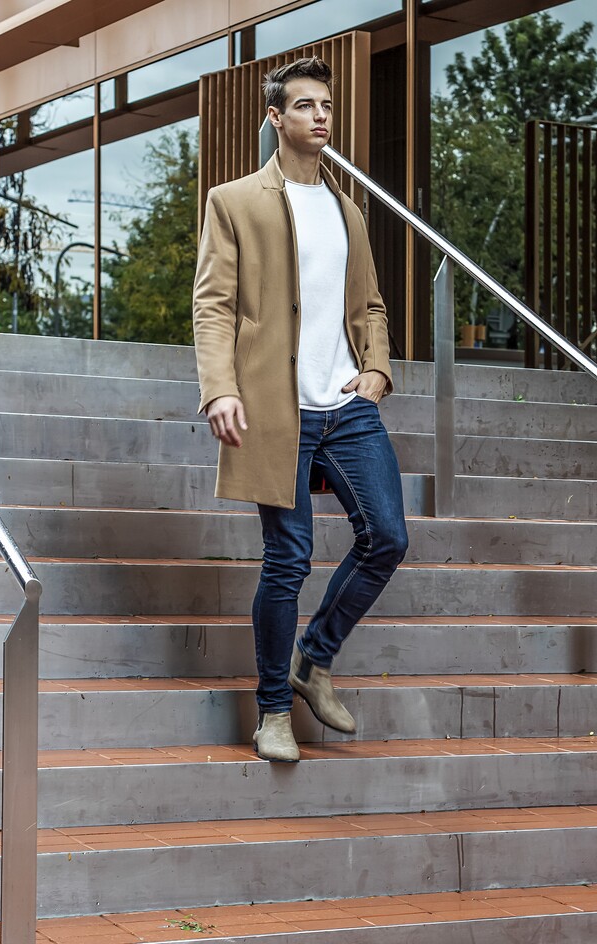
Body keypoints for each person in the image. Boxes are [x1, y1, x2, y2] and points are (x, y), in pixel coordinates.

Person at [192, 56, 409, 763]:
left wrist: (376, 370)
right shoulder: (234, 202)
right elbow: (213, 306)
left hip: (345, 406)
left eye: (326, 105)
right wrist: (220, 387)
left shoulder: (348, 211)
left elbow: (370, 305)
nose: (321, 116)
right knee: (287, 559)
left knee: (388, 536)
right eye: (306, 106)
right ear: (275, 118)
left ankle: (314, 660)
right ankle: (273, 711)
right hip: (273, 408)